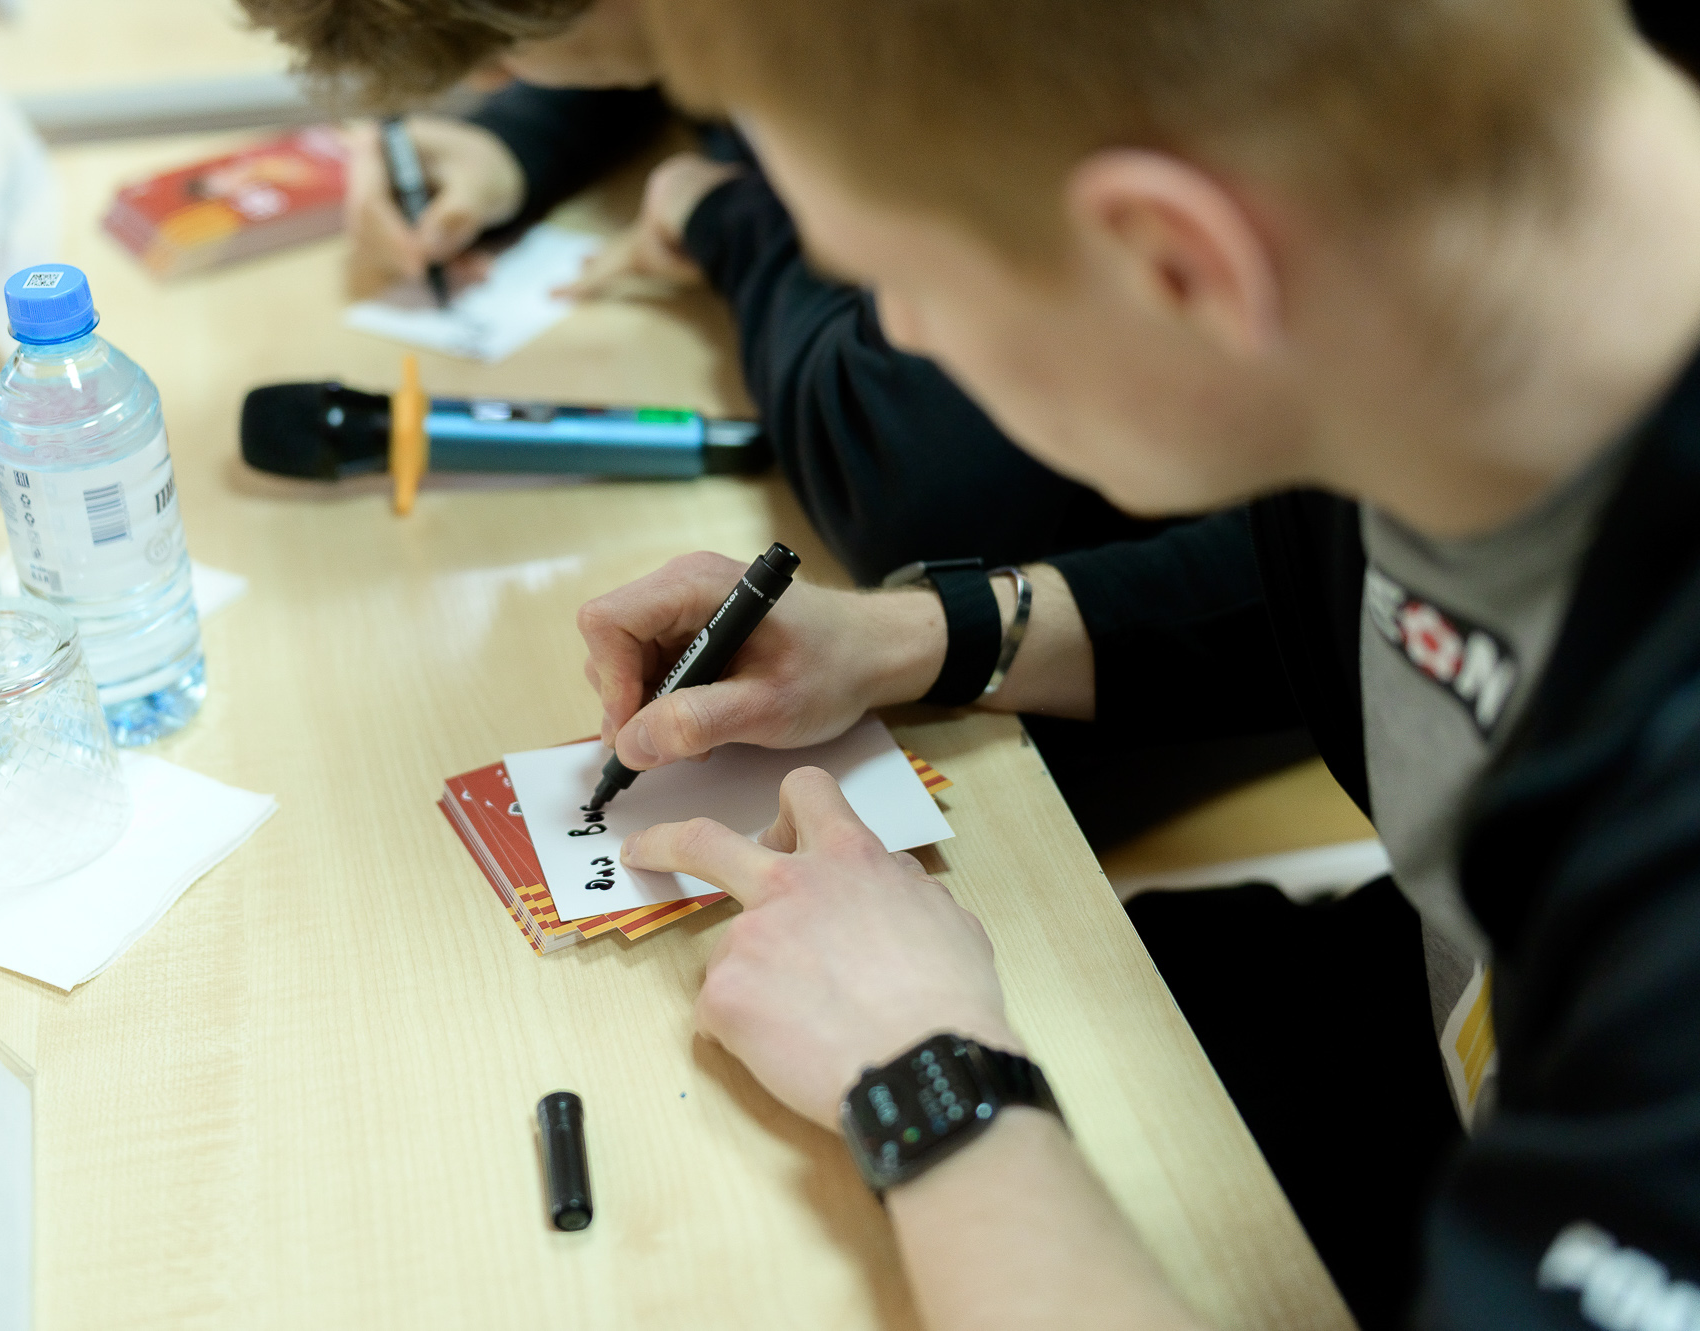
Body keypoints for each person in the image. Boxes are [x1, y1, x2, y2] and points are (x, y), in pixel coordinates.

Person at [560, 1, 1700, 1328]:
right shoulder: (1452, 332)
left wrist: (928, 1070)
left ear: (1174, 262)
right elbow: (1346, 591)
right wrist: (918, 634)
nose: (906, 339)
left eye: (901, 282)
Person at [232, 0, 1166, 587]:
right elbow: (653, 34)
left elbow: (913, 493)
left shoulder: (920, 46)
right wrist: (513, 139)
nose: (482, 79)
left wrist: (723, 219)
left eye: (499, 56)